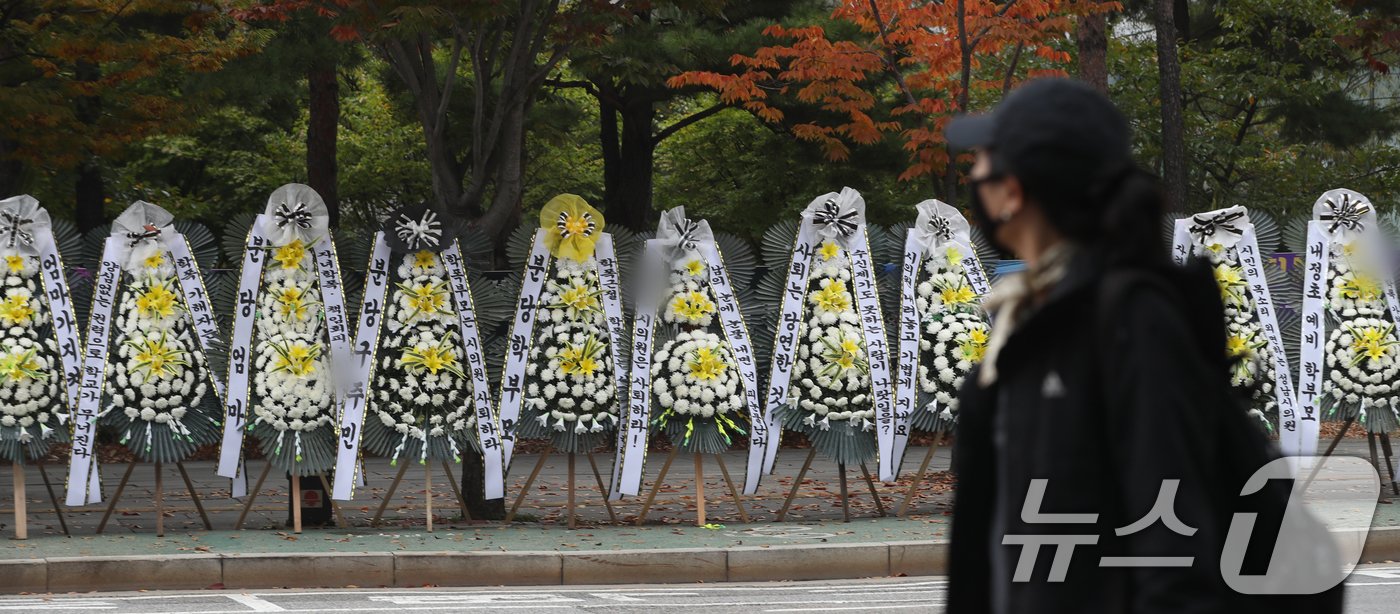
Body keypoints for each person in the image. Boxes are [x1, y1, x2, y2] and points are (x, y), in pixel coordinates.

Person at [941, 78, 1344, 613]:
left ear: (1014, 188)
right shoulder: (1033, 319)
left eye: (983, 160)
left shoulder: (1130, 317)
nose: (973, 176)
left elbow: (1175, 551)